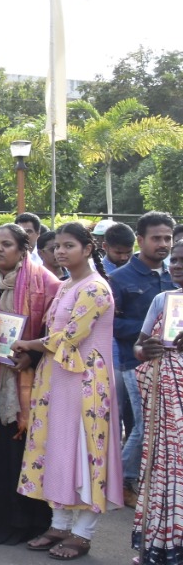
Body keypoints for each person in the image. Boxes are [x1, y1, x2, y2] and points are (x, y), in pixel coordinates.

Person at [16, 222, 122, 561]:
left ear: (88, 249)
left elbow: (69, 337)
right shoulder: (65, 285)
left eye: (69, 246)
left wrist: (28, 344)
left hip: (86, 383)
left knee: (85, 450)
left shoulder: (96, 288)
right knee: (57, 448)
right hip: (58, 378)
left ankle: (83, 533)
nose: (61, 251)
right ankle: (59, 524)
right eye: (57, 246)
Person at [0, 224, 60, 545]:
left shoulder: (46, 282)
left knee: (19, 451)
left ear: (23, 249)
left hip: (25, 380)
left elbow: (55, 329)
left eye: (6, 244)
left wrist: (32, 355)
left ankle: (22, 522)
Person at [109, 211, 175, 508]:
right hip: (133, 364)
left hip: (172, 367)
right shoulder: (119, 278)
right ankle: (122, 481)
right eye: (156, 238)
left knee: (160, 424)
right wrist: (153, 330)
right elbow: (110, 324)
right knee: (144, 424)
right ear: (140, 240)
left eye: (168, 238)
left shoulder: (173, 274)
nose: (163, 244)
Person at [129, 239, 183, 565]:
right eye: (174, 260)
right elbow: (139, 346)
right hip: (166, 398)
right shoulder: (164, 300)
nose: (177, 266)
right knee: (168, 470)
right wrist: (145, 350)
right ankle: (164, 545)